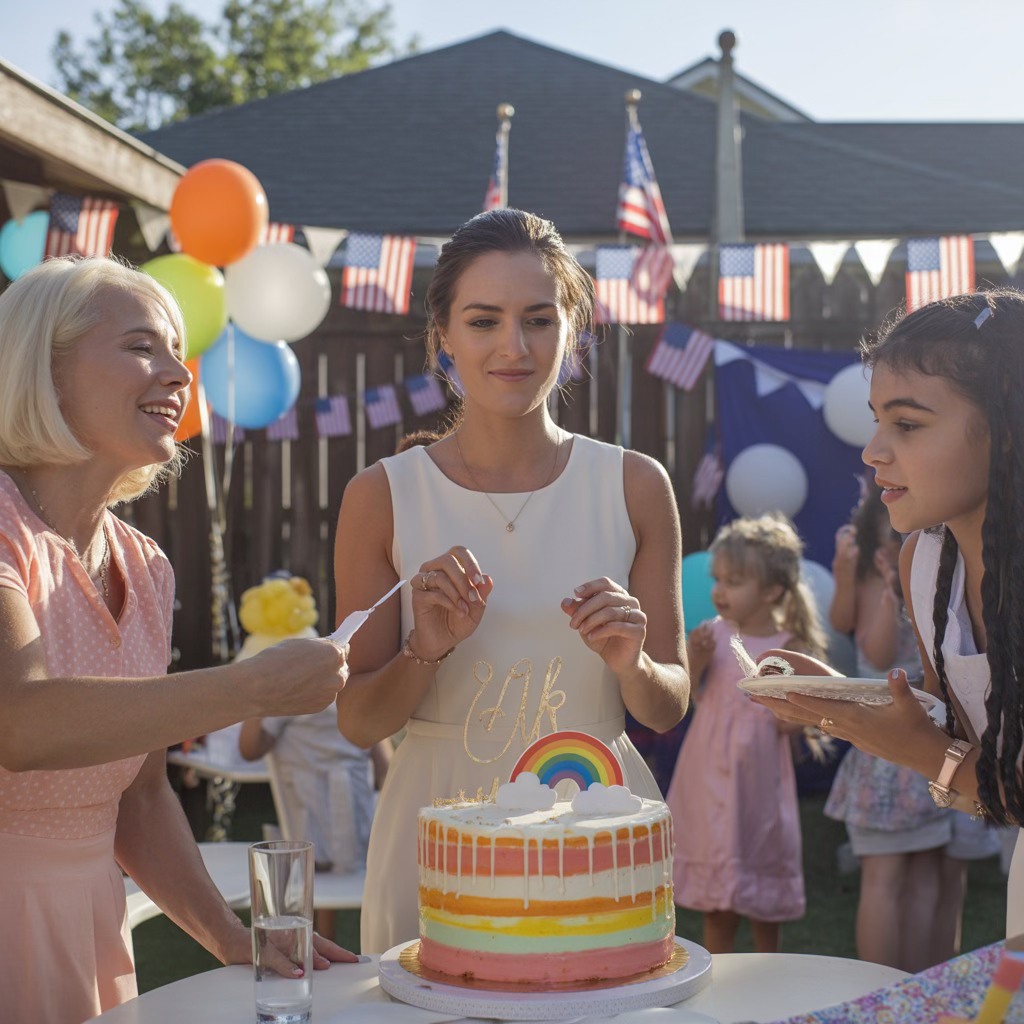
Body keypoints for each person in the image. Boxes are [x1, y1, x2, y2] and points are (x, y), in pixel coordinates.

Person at [0, 257, 354, 1024]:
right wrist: (252, 687)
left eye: (177, 351)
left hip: (93, 926)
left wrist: (233, 939)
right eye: (141, 347)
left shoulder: (146, 566)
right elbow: (19, 724)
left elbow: (141, 797)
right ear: (44, 369)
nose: (178, 374)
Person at [333, 208, 690, 953]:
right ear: (443, 335)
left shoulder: (634, 484)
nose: (513, 347)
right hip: (436, 824)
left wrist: (632, 664)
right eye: (484, 321)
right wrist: (426, 649)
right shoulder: (382, 494)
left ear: (571, 329)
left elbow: (666, 707)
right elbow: (359, 721)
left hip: (595, 819)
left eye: (538, 319)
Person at [750, 289, 1024, 939]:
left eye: (907, 424)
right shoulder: (921, 564)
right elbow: (979, 769)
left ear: (1007, 429)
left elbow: (979, 780)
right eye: (877, 420)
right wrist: (847, 702)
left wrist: (919, 752)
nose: (873, 451)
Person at [666, 513, 825, 954]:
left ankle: (766, 976)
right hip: (708, 776)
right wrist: (696, 659)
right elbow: (693, 696)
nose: (719, 591)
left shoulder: (788, 648)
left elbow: (794, 722)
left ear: (771, 590)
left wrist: (785, 703)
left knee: (763, 905)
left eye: (733, 581)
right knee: (717, 907)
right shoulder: (712, 636)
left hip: (757, 781)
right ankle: (719, 976)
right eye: (717, 579)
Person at [825, 482, 961, 972]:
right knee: (883, 879)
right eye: (897, 538)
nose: (908, 546)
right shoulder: (873, 579)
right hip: (887, 756)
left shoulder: (940, 579)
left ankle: (920, 987)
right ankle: (883, 991)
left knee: (926, 876)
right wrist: (884, 593)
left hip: (929, 750)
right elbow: (874, 652)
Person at [237, 573, 391, 937]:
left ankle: (314, 937)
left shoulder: (288, 696)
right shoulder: (344, 689)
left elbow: (249, 750)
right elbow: (382, 758)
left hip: (309, 810)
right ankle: (328, 936)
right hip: (356, 808)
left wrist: (254, 703)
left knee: (312, 869)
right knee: (338, 870)